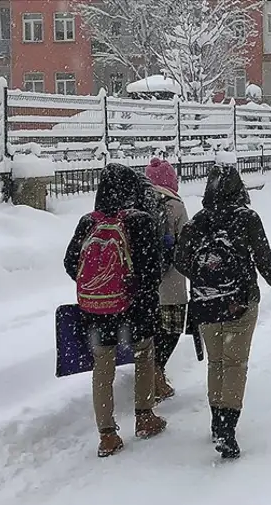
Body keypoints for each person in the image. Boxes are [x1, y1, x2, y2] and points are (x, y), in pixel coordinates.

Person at [175, 164, 271, 459]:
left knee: (217, 363)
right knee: (235, 364)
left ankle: (216, 421)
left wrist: (204, 275)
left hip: (206, 303)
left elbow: (180, 259)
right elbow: (263, 255)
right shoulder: (247, 218)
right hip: (240, 302)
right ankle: (227, 427)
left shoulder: (198, 221)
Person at [63, 163, 167, 458]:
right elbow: (152, 269)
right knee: (144, 355)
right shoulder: (140, 220)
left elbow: (71, 262)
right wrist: (135, 292)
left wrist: (99, 285)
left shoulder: (88, 222)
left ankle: (107, 435)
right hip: (135, 307)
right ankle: (145, 416)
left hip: (96, 310)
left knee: (102, 367)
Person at [144, 157, 190, 401]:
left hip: (144, 283)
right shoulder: (175, 205)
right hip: (171, 282)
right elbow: (187, 242)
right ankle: (157, 372)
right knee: (171, 329)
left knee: (149, 330)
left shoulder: (137, 202)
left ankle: (149, 373)